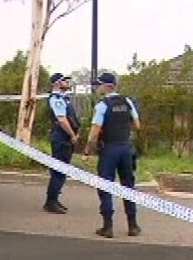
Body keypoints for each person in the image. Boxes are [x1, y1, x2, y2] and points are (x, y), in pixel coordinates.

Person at [83, 72, 142, 238]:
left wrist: (87, 150)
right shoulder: (127, 101)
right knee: (128, 186)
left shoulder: (102, 105)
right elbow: (137, 125)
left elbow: (94, 131)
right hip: (126, 148)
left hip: (109, 150)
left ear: (108, 86)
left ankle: (107, 227)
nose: (98, 87)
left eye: (100, 85)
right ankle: (133, 226)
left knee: (105, 186)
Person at [44, 72, 80, 214]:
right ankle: (50, 202)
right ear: (57, 83)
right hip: (61, 138)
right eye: (64, 80)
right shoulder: (57, 99)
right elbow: (62, 119)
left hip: (65, 138)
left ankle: (54, 199)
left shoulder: (64, 98)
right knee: (58, 170)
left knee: (62, 170)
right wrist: (72, 134)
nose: (67, 82)